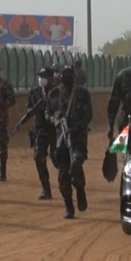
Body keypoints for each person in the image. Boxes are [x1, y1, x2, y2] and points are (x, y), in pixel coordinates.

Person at [46, 66, 93, 219]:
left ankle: (80, 190)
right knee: (63, 176)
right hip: (61, 140)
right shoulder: (54, 94)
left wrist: (77, 127)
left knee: (76, 166)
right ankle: (68, 207)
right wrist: (56, 121)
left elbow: (88, 114)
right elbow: (48, 113)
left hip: (78, 138)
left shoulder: (82, 93)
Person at [26, 67, 59, 200]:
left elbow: (62, 107)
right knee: (39, 157)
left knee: (58, 159)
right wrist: (34, 112)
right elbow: (28, 106)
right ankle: (46, 189)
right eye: (40, 76)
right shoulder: (35, 92)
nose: (41, 79)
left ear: (50, 78)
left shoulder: (57, 92)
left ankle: (67, 180)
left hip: (55, 130)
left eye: (43, 76)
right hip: (41, 129)